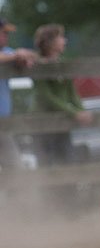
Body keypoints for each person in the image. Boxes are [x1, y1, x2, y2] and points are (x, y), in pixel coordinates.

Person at [33, 24, 93, 163]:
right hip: (42, 123)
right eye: (60, 37)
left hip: (62, 120)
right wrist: (74, 113)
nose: (64, 41)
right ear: (50, 42)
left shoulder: (63, 65)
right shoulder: (38, 66)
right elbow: (47, 97)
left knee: (67, 159)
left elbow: (72, 93)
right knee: (47, 162)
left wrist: (82, 111)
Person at [0, 17, 36, 168]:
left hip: (3, 124)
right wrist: (17, 55)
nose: (6, 37)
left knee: (16, 167)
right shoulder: (8, 54)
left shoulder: (6, 53)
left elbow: (28, 59)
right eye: (3, 33)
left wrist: (22, 57)